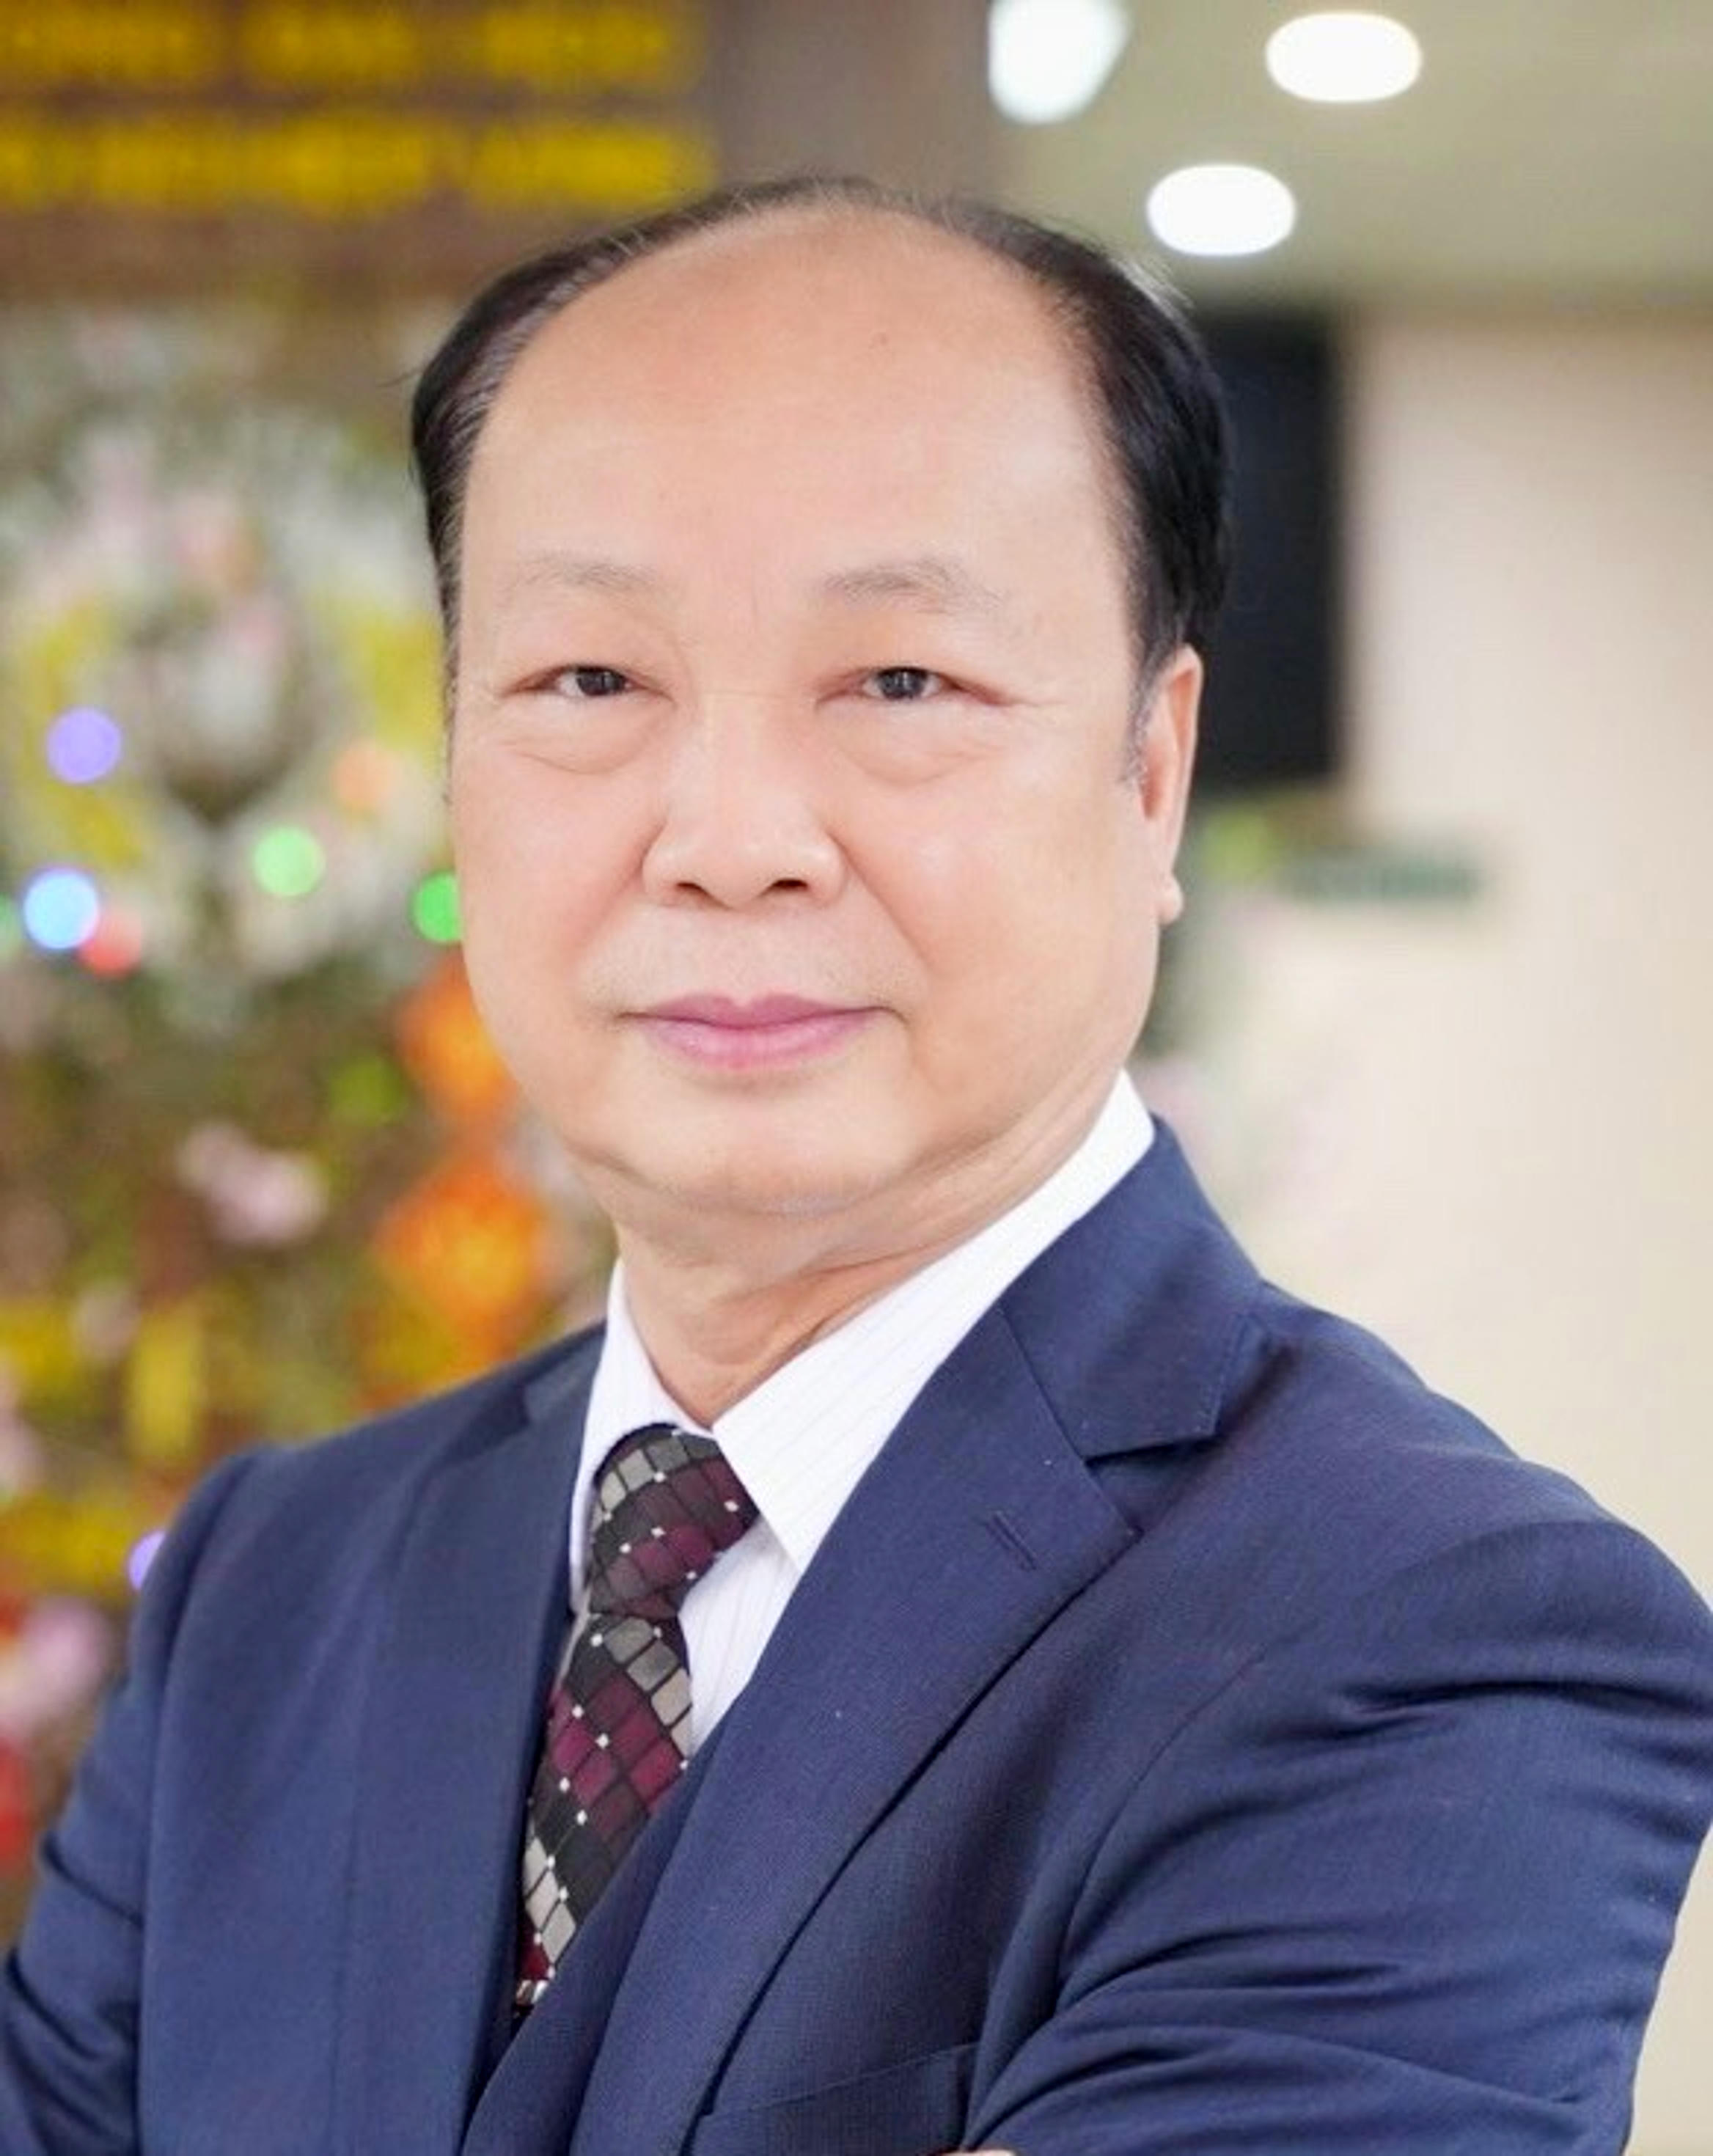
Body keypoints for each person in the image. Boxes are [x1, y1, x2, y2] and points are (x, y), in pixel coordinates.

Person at [3, 175, 1710, 2156]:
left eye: (902, 682)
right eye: (590, 680)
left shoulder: (1432, 1634)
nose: (731, 840)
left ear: (1152, 770)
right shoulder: (276, 1583)